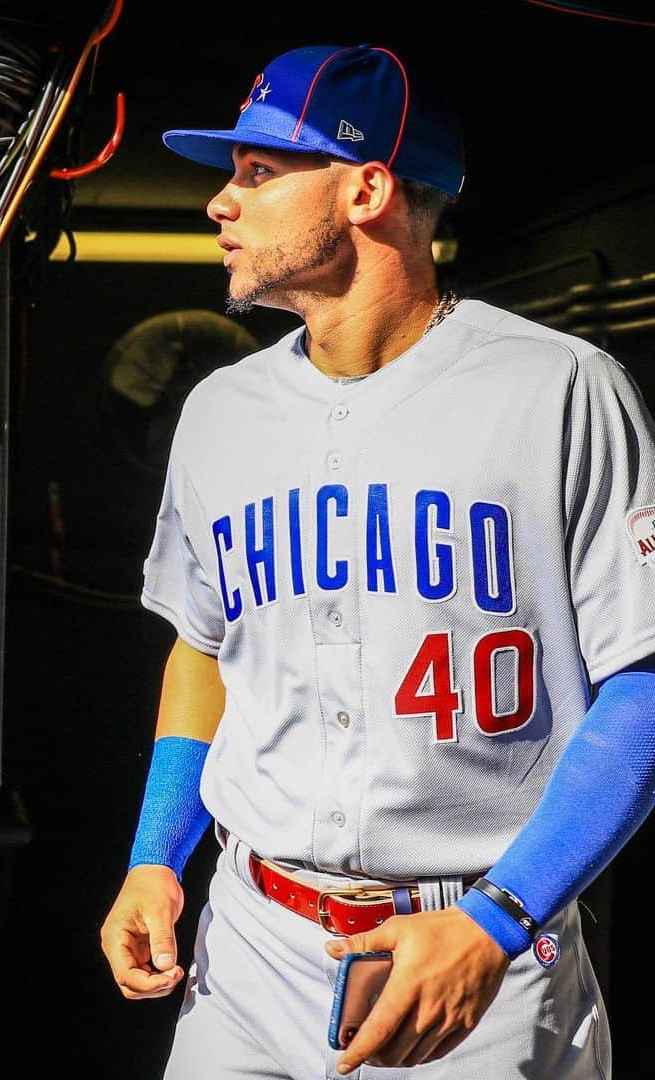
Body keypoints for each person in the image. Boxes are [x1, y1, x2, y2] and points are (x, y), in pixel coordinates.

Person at [100, 42, 655, 1078]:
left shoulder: (561, 388)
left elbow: (646, 686)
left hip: (476, 949)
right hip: (251, 943)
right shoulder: (219, 412)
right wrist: (153, 860)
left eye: (259, 172)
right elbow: (202, 650)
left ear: (367, 187)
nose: (223, 202)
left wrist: (496, 924)